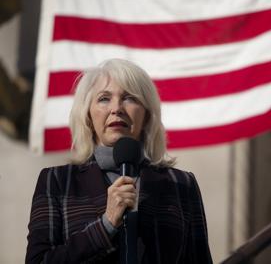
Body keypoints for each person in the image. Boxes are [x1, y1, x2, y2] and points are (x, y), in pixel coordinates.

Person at [25, 59, 213, 263]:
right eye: (104, 98)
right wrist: (106, 224)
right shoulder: (57, 181)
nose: (117, 108)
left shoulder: (181, 184)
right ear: (88, 115)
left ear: (147, 116)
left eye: (129, 98)